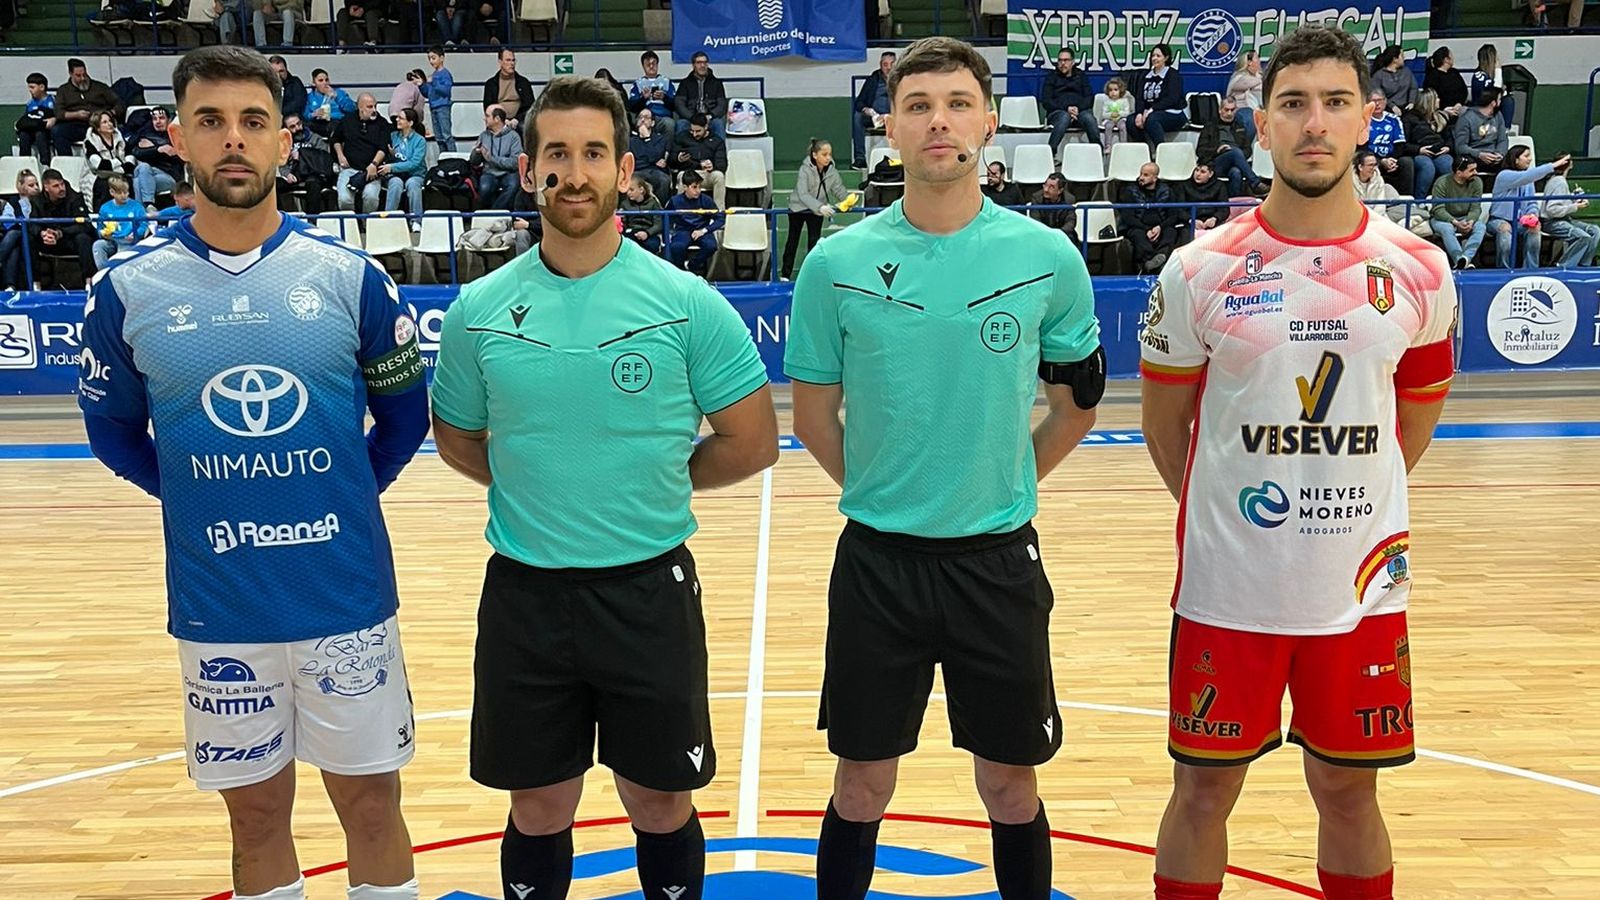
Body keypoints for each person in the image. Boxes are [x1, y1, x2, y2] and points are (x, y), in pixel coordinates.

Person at [77, 45, 429, 900]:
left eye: (252, 122)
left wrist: (331, 495)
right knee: (257, 822)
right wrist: (204, 498)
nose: (233, 140)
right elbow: (116, 436)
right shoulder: (128, 291)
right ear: (178, 140)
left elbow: (406, 420)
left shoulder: (352, 281)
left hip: (342, 599)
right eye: (211, 122)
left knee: (373, 812)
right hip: (221, 609)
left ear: (283, 141)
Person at [429, 74, 776, 900]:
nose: (574, 173)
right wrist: (539, 488)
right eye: (557, 154)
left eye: (593, 154)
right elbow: (458, 439)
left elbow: (752, 442)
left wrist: (648, 482)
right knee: (540, 803)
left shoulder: (687, 304)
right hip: (525, 596)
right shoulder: (478, 309)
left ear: (625, 171)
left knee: (660, 800)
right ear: (527, 170)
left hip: (647, 592)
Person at [1139, 26, 1457, 900]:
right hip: (1227, 589)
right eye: (1293, 104)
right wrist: (1231, 508)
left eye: (1334, 102)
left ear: (1367, 122)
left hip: (1358, 587)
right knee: (1203, 789)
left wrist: (1344, 501)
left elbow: (1411, 425)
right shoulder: (1197, 270)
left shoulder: (1421, 269)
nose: (1314, 123)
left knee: (1350, 789)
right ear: (1263, 126)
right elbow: (1167, 429)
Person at [785, 35, 1103, 900]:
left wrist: (1010, 477)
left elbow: (1076, 401)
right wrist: (886, 487)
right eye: (918, 105)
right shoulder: (836, 264)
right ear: (888, 126)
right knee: (862, 785)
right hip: (877, 565)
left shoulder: (1048, 258)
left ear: (989, 123)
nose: (938, 121)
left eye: (957, 103)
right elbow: (813, 415)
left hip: (997, 565)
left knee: (1009, 784)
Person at [1488, 147, 1570, 269]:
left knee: (1535, 228)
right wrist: (1552, 166)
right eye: (1526, 156)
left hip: (1521, 221)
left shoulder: (1528, 180)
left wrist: (1532, 215)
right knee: (1505, 229)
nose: (1530, 159)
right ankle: (1503, 270)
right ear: (1516, 159)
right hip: (1499, 220)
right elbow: (1527, 176)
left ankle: (1531, 269)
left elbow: (1532, 203)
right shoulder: (1503, 175)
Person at [782, 137, 850, 280]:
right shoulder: (804, 170)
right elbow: (803, 194)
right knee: (792, 241)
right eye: (824, 155)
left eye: (829, 154)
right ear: (814, 155)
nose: (828, 158)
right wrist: (820, 207)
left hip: (817, 210)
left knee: (814, 242)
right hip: (798, 208)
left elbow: (838, 189)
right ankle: (785, 275)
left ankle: (811, 275)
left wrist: (848, 199)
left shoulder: (832, 171)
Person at [29, 168, 96, 282]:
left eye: (62, 184)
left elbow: (85, 225)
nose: (61, 189)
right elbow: (32, 224)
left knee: (83, 238)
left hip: (68, 239)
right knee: (29, 239)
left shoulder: (75, 198)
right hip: (48, 240)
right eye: (56, 186)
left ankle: (89, 281)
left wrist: (61, 233)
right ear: (46, 187)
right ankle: (35, 283)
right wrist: (42, 234)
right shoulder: (37, 201)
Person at [51, 58, 122, 158]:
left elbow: (119, 104)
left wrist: (108, 114)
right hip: (77, 125)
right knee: (57, 131)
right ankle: (67, 161)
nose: (83, 78)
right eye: (78, 76)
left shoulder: (100, 87)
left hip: (100, 124)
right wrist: (76, 114)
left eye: (84, 74)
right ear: (70, 74)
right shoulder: (63, 90)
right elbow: (59, 113)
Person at [1196, 96, 1266, 196]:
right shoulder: (1210, 126)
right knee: (1234, 152)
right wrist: (1217, 150)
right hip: (1215, 163)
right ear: (1220, 110)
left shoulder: (1239, 126)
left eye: (1232, 110)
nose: (1229, 113)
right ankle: (1255, 184)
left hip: (1235, 162)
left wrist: (1238, 154)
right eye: (1226, 110)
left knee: (1236, 173)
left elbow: (1247, 150)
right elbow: (1200, 151)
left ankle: (1233, 207)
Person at [334, 92, 391, 214]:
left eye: (375, 106)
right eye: (370, 107)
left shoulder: (382, 123)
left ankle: (367, 225)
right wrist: (340, 155)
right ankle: (351, 225)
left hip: (372, 170)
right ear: (360, 108)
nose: (374, 110)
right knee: (344, 199)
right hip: (350, 168)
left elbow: (383, 148)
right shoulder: (347, 120)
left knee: (371, 197)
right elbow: (336, 139)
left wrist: (374, 164)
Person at [1540, 152, 1600, 267]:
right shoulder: (1558, 182)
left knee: (1595, 231)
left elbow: (1561, 203)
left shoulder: (1559, 180)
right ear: (1570, 164)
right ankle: (1564, 266)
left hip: (1565, 219)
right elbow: (1552, 210)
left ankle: (1584, 265)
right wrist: (1575, 206)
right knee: (1583, 237)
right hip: (1552, 222)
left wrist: (1574, 199)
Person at [1429, 156, 1488, 269]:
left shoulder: (1477, 182)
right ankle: (1459, 259)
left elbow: (1476, 207)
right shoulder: (1442, 183)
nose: (1476, 173)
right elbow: (1438, 209)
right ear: (1459, 172)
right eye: (1471, 170)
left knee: (1480, 227)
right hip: (1443, 219)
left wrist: (1470, 221)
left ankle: (1466, 258)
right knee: (1447, 228)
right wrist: (1455, 222)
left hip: (1465, 217)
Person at [1120, 161, 1178, 271]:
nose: (1141, 177)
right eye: (1141, 174)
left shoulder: (1167, 191)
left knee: (1171, 231)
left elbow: (1173, 216)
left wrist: (1159, 228)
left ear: (1155, 178)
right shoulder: (1131, 191)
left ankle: (1160, 257)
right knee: (1137, 234)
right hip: (1139, 226)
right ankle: (1149, 261)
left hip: (1160, 227)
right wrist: (1147, 229)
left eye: (1145, 175)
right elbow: (1128, 217)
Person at [1042, 46, 1099, 155]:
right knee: (1064, 117)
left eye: (1066, 60)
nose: (1062, 63)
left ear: (1073, 62)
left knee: (1089, 118)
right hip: (1057, 113)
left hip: (1079, 112)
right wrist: (1066, 109)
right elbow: (1046, 101)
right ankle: (1050, 153)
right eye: (1060, 60)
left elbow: (1089, 98)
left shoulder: (1081, 76)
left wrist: (1077, 109)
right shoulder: (1051, 77)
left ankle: (1097, 152)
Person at [1129, 44, 1187, 151]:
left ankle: (1161, 152)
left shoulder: (1173, 75)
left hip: (1173, 113)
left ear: (1166, 58)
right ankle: (1145, 151)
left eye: (1158, 56)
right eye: (1153, 56)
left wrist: (1152, 109)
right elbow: (1140, 98)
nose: (1154, 58)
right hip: (1149, 112)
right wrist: (1139, 113)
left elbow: (1172, 99)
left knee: (1152, 119)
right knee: (1130, 121)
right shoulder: (1146, 76)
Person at [664, 170, 721, 276]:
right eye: (694, 187)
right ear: (685, 187)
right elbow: (667, 218)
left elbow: (720, 219)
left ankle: (691, 266)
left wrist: (704, 230)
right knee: (676, 247)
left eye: (699, 187)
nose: (698, 190)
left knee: (711, 246)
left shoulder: (706, 200)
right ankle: (681, 272)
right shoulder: (675, 201)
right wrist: (669, 233)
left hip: (702, 230)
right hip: (683, 230)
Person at [279, 113, 335, 215]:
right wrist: (287, 174)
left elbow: (324, 159)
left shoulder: (315, 139)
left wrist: (302, 154)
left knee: (313, 184)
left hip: (312, 174)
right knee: (272, 185)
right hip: (294, 175)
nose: (297, 128)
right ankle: (279, 218)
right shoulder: (285, 143)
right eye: (292, 126)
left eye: (298, 124)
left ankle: (311, 220)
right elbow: (282, 164)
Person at [1363, 88, 1415, 198]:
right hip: (1371, 157)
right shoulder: (1363, 120)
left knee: (1407, 162)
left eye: (1380, 100)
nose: (1377, 104)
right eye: (1373, 101)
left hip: (1392, 157)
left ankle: (1406, 198)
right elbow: (1362, 147)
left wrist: (1392, 160)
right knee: (1367, 162)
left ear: (1385, 101)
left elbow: (1400, 145)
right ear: (1367, 102)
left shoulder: (1394, 119)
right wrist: (1381, 161)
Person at [381, 109, 428, 229]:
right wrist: (390, 156)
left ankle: (416, 220)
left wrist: (392, 167)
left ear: (410, 123)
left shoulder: (420, 141)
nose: (397, 120)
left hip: (415, 174)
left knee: (412, 184)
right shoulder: (393, 136)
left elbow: (414, 163)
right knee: (395, 183)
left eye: (401, 118)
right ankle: (389, 220)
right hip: (396, 175)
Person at [1402, 90, 1453, 200]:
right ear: (1429, 101)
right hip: (1419, 152)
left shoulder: (1441, 117)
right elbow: (1403, 143)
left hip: (1440, 151)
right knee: (1427, 167)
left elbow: (1449, 138)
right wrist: (1419, 150)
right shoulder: (1409, 118)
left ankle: (1445, 200)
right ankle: (1420, 200)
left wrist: (1448, 147)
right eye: (1437, 98)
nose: (1439, 100)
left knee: (1447, 164)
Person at [131, 106, 186, 208]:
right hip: (148, 173)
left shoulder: (176, 136)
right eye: (154, 119)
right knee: (144, 168)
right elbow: (137, 152)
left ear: (169, 120)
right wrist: (159, 150)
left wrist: (151, 149)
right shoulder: (147, 134)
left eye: (161, 118)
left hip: (169, 176)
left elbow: (179, 157)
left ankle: (142, 212)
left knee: (138, 180)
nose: (158, 121)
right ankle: (149, 206)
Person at [83, 109, 138, 209]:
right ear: (98, 127)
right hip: (96, 176)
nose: (110, 124)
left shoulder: (119, 137)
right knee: (105, 185)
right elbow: (99, 165)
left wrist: (122, 168)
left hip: (119, 173)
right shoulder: (90, 142)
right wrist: (120, 163)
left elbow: (130, 157)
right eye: (105, 122)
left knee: (130, 181)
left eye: (110, 121)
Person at [670, 114, 727, 210]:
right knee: (682, 175)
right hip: (689, 172)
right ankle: (680, 213)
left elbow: (722, 164)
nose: (694, 134)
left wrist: (713, 166)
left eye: (698, 131)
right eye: (692, 131)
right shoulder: (682, 137)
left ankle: (719, 213)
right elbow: (671, 161)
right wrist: (678, 159)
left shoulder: (717, 141)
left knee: (719, 176)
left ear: (706, 127)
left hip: (707, 174)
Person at [471, 104, 522, 209]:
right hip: (489, 172)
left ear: (497, 119)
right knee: (485, 188)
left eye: (487, 116)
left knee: (513, 186)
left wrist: (491, 159)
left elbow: (515, 163)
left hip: (509, 173)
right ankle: (491, 214)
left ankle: (493, 213)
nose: (484, 118)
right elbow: (474, 162)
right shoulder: (483, 136)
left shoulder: (514, 137)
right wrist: (476, 153)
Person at [850, 50, 896, 168]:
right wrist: (867, 110)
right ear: (880, 65)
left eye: (892, 64)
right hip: (874, 118)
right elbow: (859, 102)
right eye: (885, 64)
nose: (888, 68)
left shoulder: (903, 80)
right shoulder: (873, 79)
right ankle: (860, 158)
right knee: (857, 117)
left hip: (896, 118)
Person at [92, 174, 147, 269]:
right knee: (98, 245)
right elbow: (100, 226)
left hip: (128, 241)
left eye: (126, 192)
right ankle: (103, 273)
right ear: (112, 192)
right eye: (120, 193)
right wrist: (103, 234)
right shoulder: (105, 208)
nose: (124, 195)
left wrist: (136, 233)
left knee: (121, 253)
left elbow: (144, 224)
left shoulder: (137, 206)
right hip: (112, 240)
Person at [1452, 86, 1507, 174]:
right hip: (1475, 157)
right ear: (1493, 103)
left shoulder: (1498, 116)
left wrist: (1500, 154)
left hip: (1494, 156)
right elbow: (1460, 147)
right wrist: (1479, 154)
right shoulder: (1466, 118)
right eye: (1499, 99)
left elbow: (1503, 139)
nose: (1501, 102)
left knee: (1515, 161)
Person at [674, 51, 728, 141]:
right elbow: (679, 105)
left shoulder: (716, 83)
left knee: (718, 123)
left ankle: (721, 153)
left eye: (705, 62)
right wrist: (692, 118)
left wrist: (710, 116)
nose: (702, 65)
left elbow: (722, 105)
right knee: (681, 124)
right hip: (690, 118)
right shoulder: (685, 83)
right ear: (693, 65)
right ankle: (681, 153)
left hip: (709, 118)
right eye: (699, 63)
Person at [0, 168, 39, 290]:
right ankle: (10, 286)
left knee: (14, 234)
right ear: (20, 186)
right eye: (31, 185)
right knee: (14, 242)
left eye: (37, 184)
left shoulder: (41, 201)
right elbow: (7, 222)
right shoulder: (13, 202)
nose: (36, 188)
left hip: (34, 234)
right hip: (18, 234)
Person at [482, 48, 537, 131]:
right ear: (500, 62)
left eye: (513, 60)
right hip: (498, 119)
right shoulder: (491, 84)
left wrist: (517, 119)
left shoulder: (523, 82)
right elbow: (488, 106)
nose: (512, 63)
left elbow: (530, 106)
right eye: (508, 60)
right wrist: (503, 120)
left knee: (524, 128)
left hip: (519, 120)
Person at [629, 107, 674, 201]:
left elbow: (656, 156)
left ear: (653, 123)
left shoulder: (660, 139)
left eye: (646, 117)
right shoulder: (631, 141)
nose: (642, 120)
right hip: (637, 172)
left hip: (655, 172)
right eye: (640, 117)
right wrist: (651, 161)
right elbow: (632, 161)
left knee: (664, 180)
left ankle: (660, 211)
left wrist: (647, 138)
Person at [629, 49, 676, 133]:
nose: (651, 66)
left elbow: (675, 105)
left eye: (653, 64)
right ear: (643, 66)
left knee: (669, 124)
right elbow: (632, 107)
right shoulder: (638, 83)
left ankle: (668, 147)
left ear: (657, 65)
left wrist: (664, 97)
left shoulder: (666, 81)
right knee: (642, 124)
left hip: (663, 117)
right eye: (648, 64)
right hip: (645, 116)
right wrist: (644, 98)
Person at [1026, 172, 1078, 245]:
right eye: (1045, 185)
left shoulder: (1069, 199)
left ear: (1060, 190)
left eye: (1051, 187)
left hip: (1061, 234)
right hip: (1043, 234)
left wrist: (1058, 234)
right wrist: (1049, 234)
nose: (1046, 190)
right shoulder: (1036, 198)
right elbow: (1036, 221)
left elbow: (1070, 222)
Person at [421, 45, 457, 152]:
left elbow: (446, 91)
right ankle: (444, 158)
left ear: (441, 58)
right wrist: (421, 85)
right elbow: (428, 93)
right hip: (433, 107)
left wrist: (433, 82)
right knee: (439, 137)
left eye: (433, 58)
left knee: (446, 136)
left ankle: (453, 158)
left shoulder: (445, 74)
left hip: (443, 107)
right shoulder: (434, 75)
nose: (431, 61)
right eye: (429, 59)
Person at [1472, 43, 1514, 130]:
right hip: (1482, 110)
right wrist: (1498, 69)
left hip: (1493, 109)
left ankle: (1505, 129)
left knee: (1508, 99)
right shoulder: (1479, 75)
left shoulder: (1492, 75)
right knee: (1507, 101)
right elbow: (1494, 92)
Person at [1180, 161, 1229, 237]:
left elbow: (1224, 209)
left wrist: (1215, 218)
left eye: (1202, 172)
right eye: (1196, 170)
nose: (1198, 174)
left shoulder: (1219, 185)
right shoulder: (1184, 185)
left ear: (1210, 174)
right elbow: (1179, 210)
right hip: (1191, 222)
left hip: (1213, 222)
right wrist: (1191, 220)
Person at [1224, 50, 1262, 145]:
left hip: (1259, 108)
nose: (1259, 61)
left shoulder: (1258, 77)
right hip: (1240, 109)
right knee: (1250, 118)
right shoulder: (1239, 77)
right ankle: (1242, 147)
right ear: (1249, 63)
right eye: (1256, 58)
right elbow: (1256, 83)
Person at [17, 72, 56, 165]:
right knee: (23, 135)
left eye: (32, 87)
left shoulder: (52, 100)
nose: (30, 90)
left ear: (42, 87)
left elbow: (57, 115)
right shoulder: (30, 103)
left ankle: (45, 163)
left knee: (40, 134)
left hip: (46, 130)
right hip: (33, 128)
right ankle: (24, 163)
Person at [305, 68, 356, 138]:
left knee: (337, 127)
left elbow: (352, 109)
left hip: (336, 122)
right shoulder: (310, 97)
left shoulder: (338, 93)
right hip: (318, 123)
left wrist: (337, 97)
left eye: (326, 80)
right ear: (314, 83)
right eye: (320, 81)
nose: (325, 83)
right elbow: (305, 114)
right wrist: (312, 114)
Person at [620, 174, 664, 255]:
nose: (628, 193)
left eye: (631, 190)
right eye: (627, 190)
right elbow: (623, 224)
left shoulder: (653, 203)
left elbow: (659, 224)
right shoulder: (624, 204)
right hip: (631, 232)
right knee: (627, 245)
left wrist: (647, 233)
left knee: (652, 245)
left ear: (641, 189)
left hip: (649, 232)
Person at [1422, 47, 1468, 118]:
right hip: (1440, 111)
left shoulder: (1454, 72)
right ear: (1446, 59)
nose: (1453, 58)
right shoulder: (1432, 77)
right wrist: (1444, 109)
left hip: (1458, 107)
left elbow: (1464, 91)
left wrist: (1459, 103)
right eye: (1451, 56)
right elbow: (1430, 98)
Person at [1371, 45, 1418, 112]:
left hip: (1406, 108)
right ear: (1395, 59)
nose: (1404, 57)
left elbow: (1413, 87)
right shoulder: (1379, 75)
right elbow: (1377, 95)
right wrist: (1391, 106)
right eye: (1402, 55)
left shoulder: (1406, 71)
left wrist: (1411, 102)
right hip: (1387, 110)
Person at [269, 55, 306, 122]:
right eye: (274, 72)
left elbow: (298, 103)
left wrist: (279, 112)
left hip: (294, 121)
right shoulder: (265, 86)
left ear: (286, 70)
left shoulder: (295, 82)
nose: (278, 75)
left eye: (281, 71)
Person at [1100, 77, 1132, 153]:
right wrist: (1111, 115)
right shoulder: (1106, 101)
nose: (1113, 92)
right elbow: (1104, 114)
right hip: (1110, 119)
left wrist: (1119, 114)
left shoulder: (1124, 101)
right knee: (1108, 126)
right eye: (1110, 90)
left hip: (1121, 119)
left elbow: (1127, 113)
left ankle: (1123, 145)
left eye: (1115, 90)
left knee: (1123, 126)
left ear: (1120, 90)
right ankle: (1108, 146)